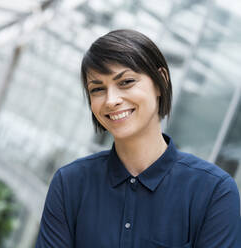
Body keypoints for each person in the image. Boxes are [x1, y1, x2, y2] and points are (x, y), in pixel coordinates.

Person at [35, 29, 240, 248]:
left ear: (161, 79)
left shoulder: (213, 191)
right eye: (97, 89)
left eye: (126, 82)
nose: (111, 100)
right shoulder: (69, 184)